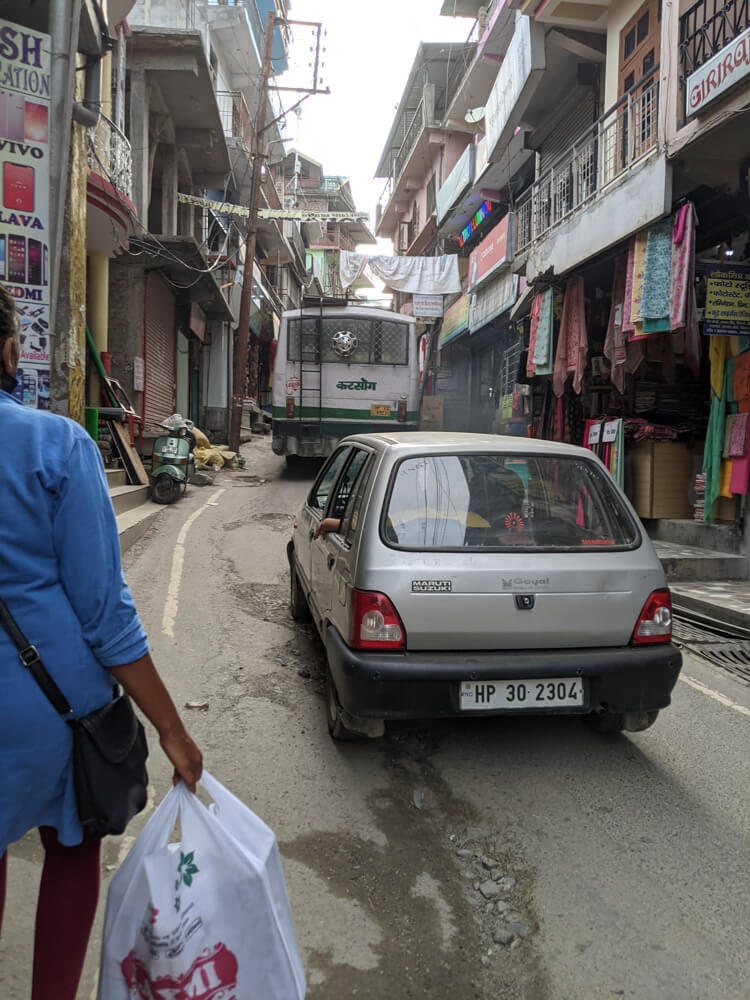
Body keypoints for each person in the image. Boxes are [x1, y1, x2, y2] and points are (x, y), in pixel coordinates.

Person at [0, 284, 203, 1000]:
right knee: (73, 846)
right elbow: (104, 613)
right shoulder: (55, 445)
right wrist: (172, 730)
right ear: (7, 349)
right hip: (53, 711)